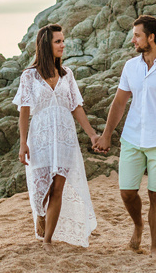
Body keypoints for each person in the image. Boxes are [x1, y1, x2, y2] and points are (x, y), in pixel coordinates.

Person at [94, 15, 156, 258]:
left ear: (151, 37)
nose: (133, 40)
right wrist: (107, 134)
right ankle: (138, 225)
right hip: (131, 138)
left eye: (137, 35)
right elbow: (119, 102)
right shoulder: (131, 67)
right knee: (127, 192)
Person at [14, 24, 100, 250]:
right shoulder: (29, 76)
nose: (63, 45)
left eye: (63, 41)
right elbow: (24, 111)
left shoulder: (67, 75)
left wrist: (91, 134)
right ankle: (40, 214)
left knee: (58, 187)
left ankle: (48, 239)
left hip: (65, 137)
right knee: (41, 188)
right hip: (40, 138)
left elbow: (76, 107)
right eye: (58, 41)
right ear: (46, 45)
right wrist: (23, 143)